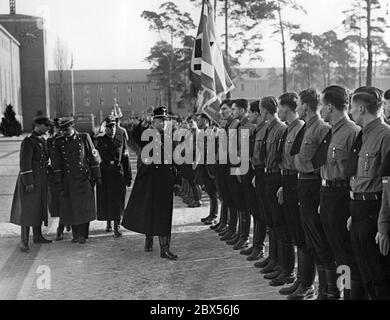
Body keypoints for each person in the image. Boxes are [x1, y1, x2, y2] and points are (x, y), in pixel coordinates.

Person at [318, 86, 363, 300]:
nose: (320, 110)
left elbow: (356, 173)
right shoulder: (332, 130)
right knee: (334, 250)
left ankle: (348, 295)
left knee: (345, 253)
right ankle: (336, 292)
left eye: (321, 105)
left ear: (329, 106)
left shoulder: (352, 132)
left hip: (342, 196)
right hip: (327, 193)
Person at [288, 88, 333, 300]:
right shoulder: (307, 127)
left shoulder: (322, 128)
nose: (297, 107)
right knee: (307, 238)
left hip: (314, 186)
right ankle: (304, 282)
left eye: (298, 103)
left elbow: (322, 163)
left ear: (305, 105)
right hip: (302, 184)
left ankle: (325, 291)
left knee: (320, 242)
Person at [122, 107, 179, 260]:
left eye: (165, 121)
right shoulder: (146, 135)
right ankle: (149, 238)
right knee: (149, 210)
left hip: (165, 179)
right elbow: (134, 135)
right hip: (150, 179)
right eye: (160, 121)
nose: (163, 123)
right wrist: (143, 123)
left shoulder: (169, 137)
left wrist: (176, 179)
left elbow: (174, 159)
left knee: (164, 214)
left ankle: (165, 249)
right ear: (153, 122)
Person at [349, 86, 390, 299]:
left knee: (378, 274)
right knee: (364, 270)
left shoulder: (385, 135)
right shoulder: (363, 135)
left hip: (373, 210)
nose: (350, 112)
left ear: (362, 108)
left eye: (352, 108)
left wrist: (383, 226)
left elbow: (388, 187)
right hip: (358, 209)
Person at [276, 92, 308, 294]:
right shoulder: (289, 129)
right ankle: (297, 278)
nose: (277, 111)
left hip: (297, 181)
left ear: (286, 108)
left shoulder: (301, 129)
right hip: (287, 180)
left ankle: (305, 283)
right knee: (292, 230)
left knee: (301, 234)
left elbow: (300, 161)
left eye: (279, 107)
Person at [52, 117, 101, 244]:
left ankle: (83, 235)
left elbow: (93, 157)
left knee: (84, 208)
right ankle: (76, 235)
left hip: (84, 178)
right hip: (68, 180)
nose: (65, 133)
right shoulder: (59, 141)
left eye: (67, 130)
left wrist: (97, 177)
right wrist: (58, 181)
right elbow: (56, 163)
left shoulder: (84, 137)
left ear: (73, 127)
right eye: (63, 130)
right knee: (72, 208)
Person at [10, 114, 52, 252]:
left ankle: (38, 236)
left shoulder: (41, 140)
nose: (47, 128)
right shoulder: (28, 141)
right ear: (38, 125)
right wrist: (28, 182)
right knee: (27, 211)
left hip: (41, 181)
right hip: (30, 181)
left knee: (38, 208)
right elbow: (25, 163)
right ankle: (24, 241)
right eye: (46, 126)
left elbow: (45, 161)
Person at [95, 115, 132, 238]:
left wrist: (129, 175)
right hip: (105, 173)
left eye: (114, 126)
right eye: (109, 127)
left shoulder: (121, 139)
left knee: (118, 200)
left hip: (118, 173)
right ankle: (108, 222)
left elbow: (126, 158)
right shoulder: (100, 141)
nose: (112, 129)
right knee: (107, 199)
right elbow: (95, 158)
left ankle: (117, 225)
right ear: (105, 129)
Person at [47, 118, 69, 241]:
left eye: (61, 128)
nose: (60, 130)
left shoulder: (68, 139)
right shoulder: (50, 141)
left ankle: (64, 226)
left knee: (67, 202)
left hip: (69, 176)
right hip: (56, 176)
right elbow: (45, 158)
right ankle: (61, 228)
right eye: (57, 127)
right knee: (59, 204)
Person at [195, 113, 219, 225]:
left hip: (210, 167)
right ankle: (211, 214)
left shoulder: (211, 131)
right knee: (210, 192)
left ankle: (214, 215)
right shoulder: (203, 133)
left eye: (199, 120)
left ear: (205, 121)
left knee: (214, 193)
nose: (197, 122)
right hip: (203, 166)